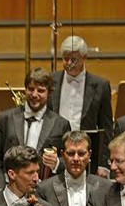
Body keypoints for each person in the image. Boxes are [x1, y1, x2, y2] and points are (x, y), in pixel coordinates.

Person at [0, 68, 71, 190]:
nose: (34, 95)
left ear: (49, 92)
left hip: (45, 192)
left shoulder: (61, 124)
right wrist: (2, 188)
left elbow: (69, 160)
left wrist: (57, 163)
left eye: (40, 90)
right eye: (30, 89)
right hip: (9, 190)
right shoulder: (5, 119)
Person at [47, 35, 113, 172]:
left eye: (74, 59)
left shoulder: (101, 85)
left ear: (84, 57)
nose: (69, 63)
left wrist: (103, 164)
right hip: (56, 153)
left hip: (86, 154)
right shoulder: (51, 81)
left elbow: (106, 129)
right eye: (65, 59)